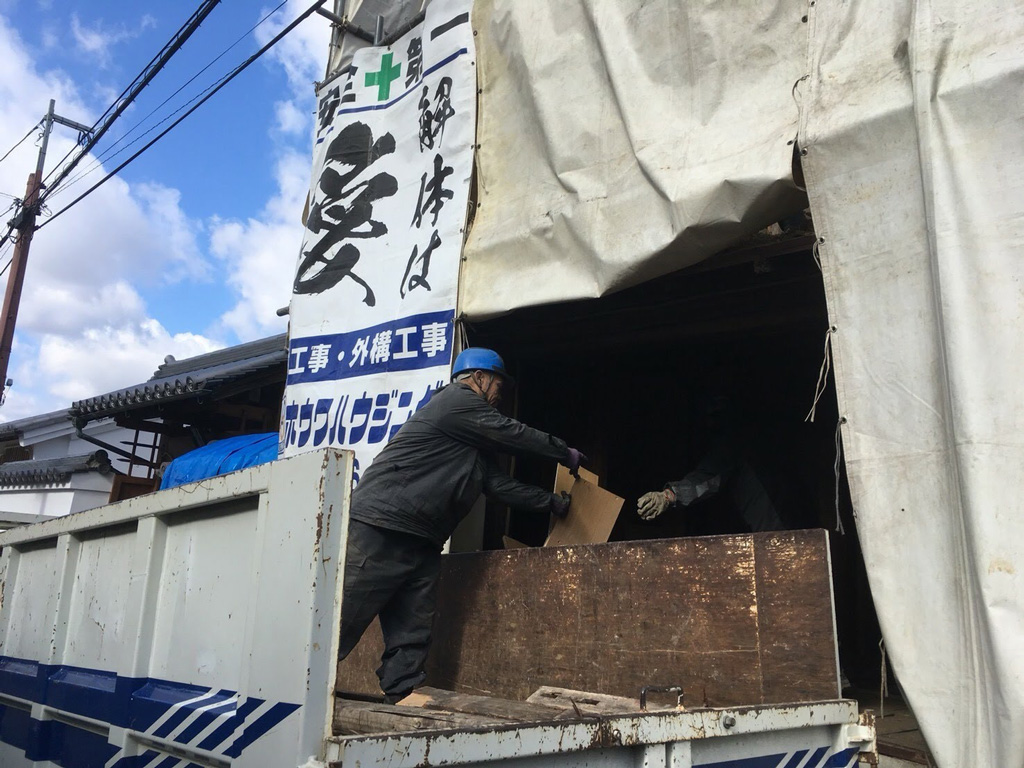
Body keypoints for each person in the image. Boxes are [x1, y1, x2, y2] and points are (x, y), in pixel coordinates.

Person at [338, 347, 587, 702]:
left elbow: (496, 485)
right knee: (346, 613)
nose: (501, 395)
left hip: (423, 538)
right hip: (382, 525)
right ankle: (296, 688)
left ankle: (401, 692)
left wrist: (549, 502)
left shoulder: (470, 438)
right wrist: (563, 451)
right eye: (499, 385)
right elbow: (512, 433)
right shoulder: (455, 403)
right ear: (480, 378)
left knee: (414, 624)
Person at [636, 396, 795, 532]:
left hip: (777, 533)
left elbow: (707, 478)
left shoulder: (735, 444)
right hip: (793, 528)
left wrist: (668, 496)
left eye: (716, 416)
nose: (711, 424)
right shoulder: (773, 438)